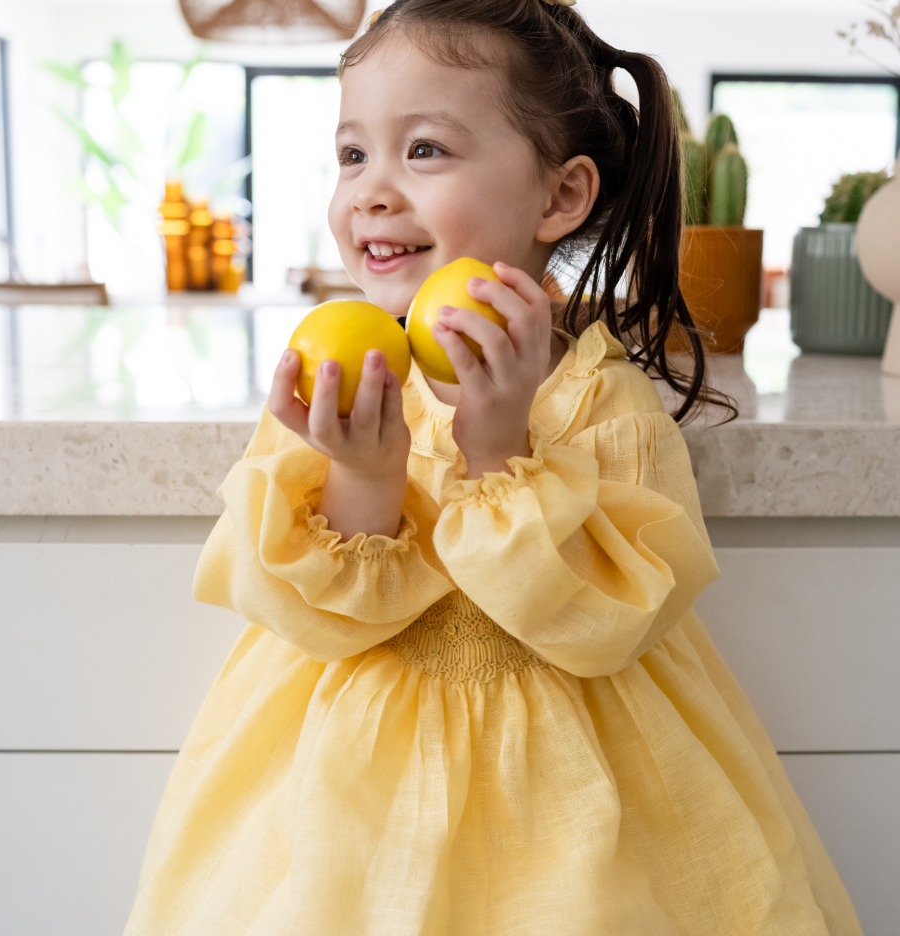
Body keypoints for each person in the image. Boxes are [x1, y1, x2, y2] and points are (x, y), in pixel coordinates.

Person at [123, 0, 863, 933]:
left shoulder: (603, 401)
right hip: (350, 786)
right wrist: (362, 472)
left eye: (424, 150)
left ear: (560, 196)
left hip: (575, 784)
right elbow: (319, 619)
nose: (372, 191)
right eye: (353, 154)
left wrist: (498, 447)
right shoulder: (338, 383)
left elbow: (604, 623)